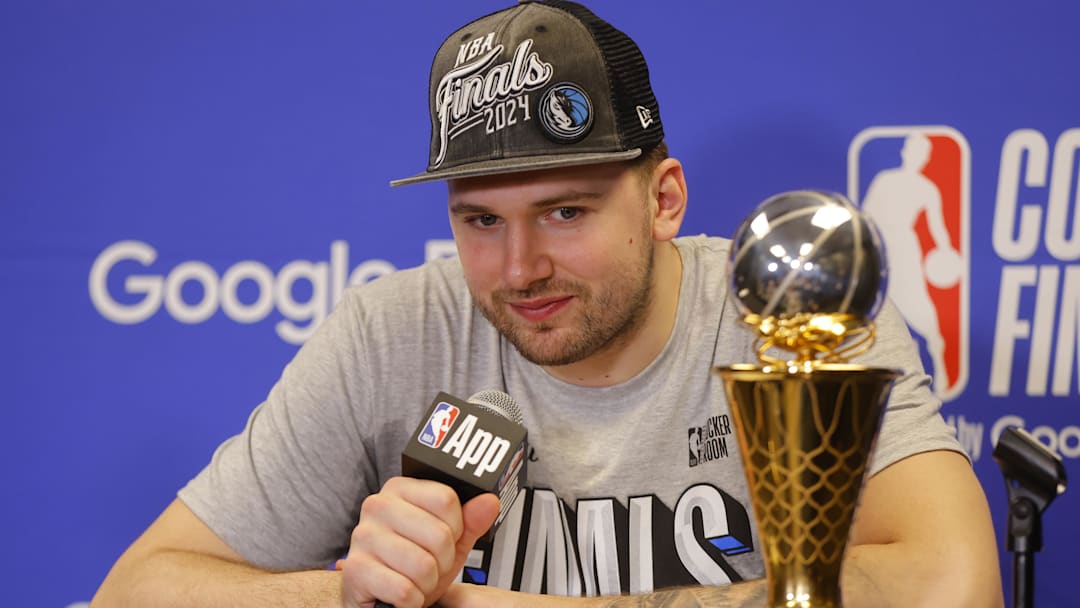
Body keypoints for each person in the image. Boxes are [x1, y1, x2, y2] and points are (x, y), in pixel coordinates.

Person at [91, 2, 1003, 607]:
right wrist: (356, 589)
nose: (519, 267)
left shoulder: (789, 310)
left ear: (664, 200)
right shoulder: (394, 333)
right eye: (480, 219)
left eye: (565, 212)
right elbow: (135, 590)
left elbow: (954, 583)